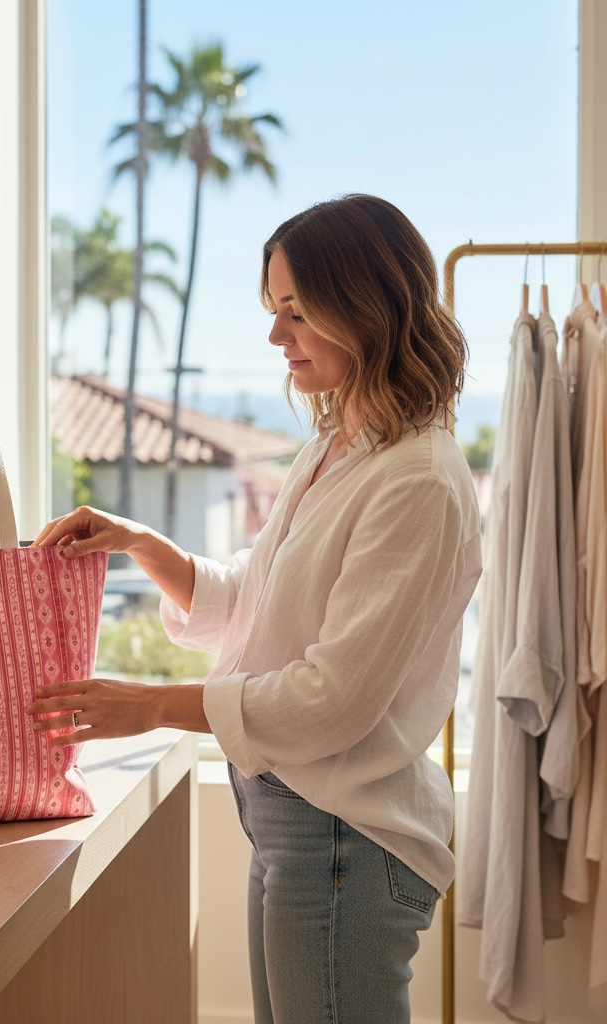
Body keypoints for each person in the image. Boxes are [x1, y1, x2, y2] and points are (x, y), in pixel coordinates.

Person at [27, 193, 482, 1024]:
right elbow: (259, 601)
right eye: (275, 309)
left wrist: (149, 707)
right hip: (296, 821)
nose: (276, 336)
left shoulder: (417, 478)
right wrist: (140, 543)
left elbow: (332, 698)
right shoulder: (338, 446)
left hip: (342, 835)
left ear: (368, 309)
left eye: (297, 312)